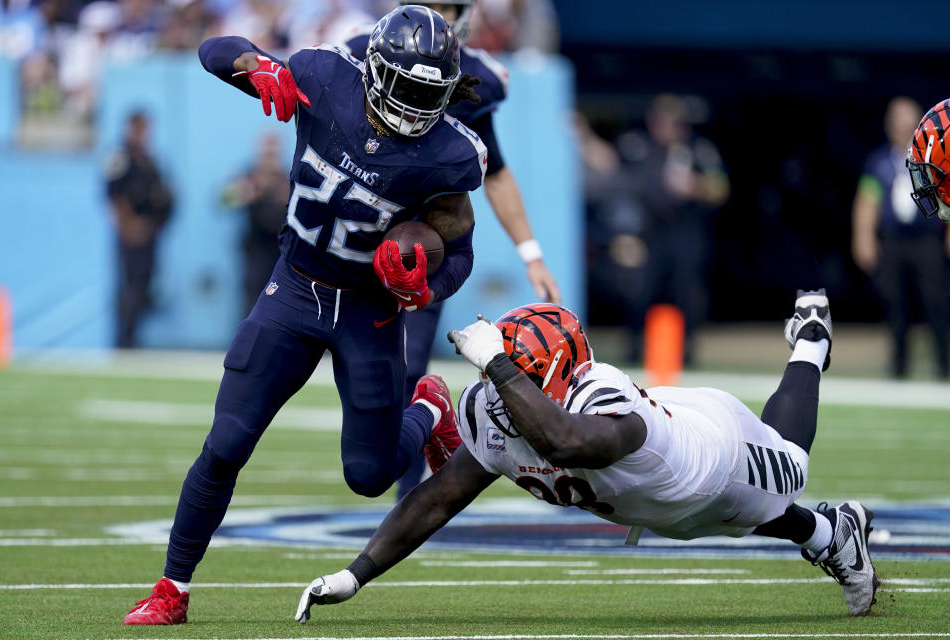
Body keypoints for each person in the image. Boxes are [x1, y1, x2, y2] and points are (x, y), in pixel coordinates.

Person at [123, 6, 486, 625]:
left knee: (369, 477)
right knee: (227, 443)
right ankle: (172, 588)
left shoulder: (448, 155)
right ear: (375, 69)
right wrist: (261, 67)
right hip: (294, 290)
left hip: (368, 312)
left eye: (428, 92)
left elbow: (460, 251)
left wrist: (425, 290)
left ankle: (427, 407)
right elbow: (217, 50)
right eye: (404, 84)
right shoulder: (323, 79)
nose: (413, 104)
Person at [293, 291, 881, 621]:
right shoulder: (494, 405)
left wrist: (498, 364)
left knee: (786, 474)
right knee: (736, 518)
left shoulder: (602, 396)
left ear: (551, 375)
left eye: (517, 374)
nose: (498, 390)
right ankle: (835, 534)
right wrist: (356, 573)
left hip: (715, 452)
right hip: (659, 503)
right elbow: (438, 497)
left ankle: (810, 341)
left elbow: (564, 443)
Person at [344, 0, 561, 498]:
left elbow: (497, 171)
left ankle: (407, 503)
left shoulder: (474, 78)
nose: (441, 13)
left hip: (417, 248)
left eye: (450, 4)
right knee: (360, 382)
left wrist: (531, 252)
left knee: (408, 365)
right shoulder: (360, 53)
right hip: (352, 237)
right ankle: (423, 421)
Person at [623, 94, 730, 364]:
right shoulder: (638, 147)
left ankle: (685, 353)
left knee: (687, 292)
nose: (670, 128)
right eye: (664, 121)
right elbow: (618, 185)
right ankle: (636, 351)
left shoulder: (699, 150)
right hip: (648, 232)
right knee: (640, 291)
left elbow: (721, 189)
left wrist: (694, 185)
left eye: (676, 122)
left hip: (686, 231)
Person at [855, 97, 950, 378]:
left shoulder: (937, 157)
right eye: (898, 120)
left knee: (936, 302)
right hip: (893, 241)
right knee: (896, 304)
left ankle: (944, 366)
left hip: (928, 241)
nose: (904, 126)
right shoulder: (878, 161)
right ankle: (898, 369)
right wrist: (863, 236)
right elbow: (867, 199)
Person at [105, 110, 174, 349]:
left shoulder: (150, 159)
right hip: (130, 234)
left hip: (149, 234)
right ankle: (124, 341)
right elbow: (113, 196)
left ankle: (133, 338)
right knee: (129, 288)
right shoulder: (120, 157)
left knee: (144, 287)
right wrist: (129, 227)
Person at [221, 132, 290, 314]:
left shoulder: (287, 179)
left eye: (273, 153)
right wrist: (248, 192)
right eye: (267, 152)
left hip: (281, 250)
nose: (270, 158)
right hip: (256, 250)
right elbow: (224, 200)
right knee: (252, 298)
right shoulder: (249, 178)